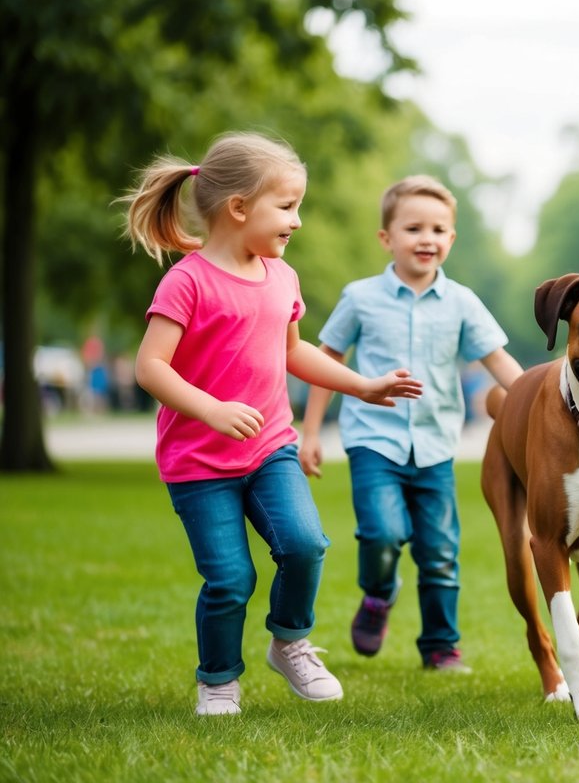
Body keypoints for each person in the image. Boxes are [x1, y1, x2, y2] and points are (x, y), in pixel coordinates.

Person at [122, 132, 423, 716]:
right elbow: (148, 366)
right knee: (230, 578)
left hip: (269, 450)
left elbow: (294, 351)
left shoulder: (281, 277)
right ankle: (217, 680)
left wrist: (362, 384)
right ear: (238, 208)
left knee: (305, 544)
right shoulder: (188, 280)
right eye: (286, 207)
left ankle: (289, 641)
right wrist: (210, 408)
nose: (298, 221)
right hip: (198, 464)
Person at [300, 174, 524, 673]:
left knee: (440, 550)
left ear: (451, 239)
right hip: (373, 440)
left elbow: (499, 362)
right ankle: (379, 595)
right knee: (383, 533)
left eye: (439, 229)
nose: (427, 238)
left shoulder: (462, 302)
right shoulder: (360, 297)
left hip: (436, 445)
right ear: (387, 238)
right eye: (414, 228)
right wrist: (311, 431)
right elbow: (326, 358)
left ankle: (441, 647)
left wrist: (540, 400)